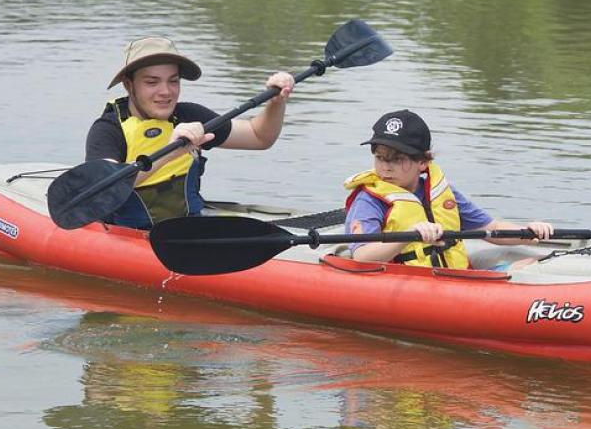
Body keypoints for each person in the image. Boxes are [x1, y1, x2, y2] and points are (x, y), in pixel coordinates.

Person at [85, 36, 295, 229]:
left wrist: (276, 102)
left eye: (173, 80)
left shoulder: (189, 115)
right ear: (129, 85)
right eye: (152, 82)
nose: (166, 92)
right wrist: (171, 152)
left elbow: (259, 137)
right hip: (125, 235)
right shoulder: (108, 129)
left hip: (186, 229)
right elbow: (104, 190)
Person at [343, 109, 553, 270]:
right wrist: (407, 236)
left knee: (533, 264)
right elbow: (362, 256)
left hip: (453, 279)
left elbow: (492, 228)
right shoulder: (369, 201)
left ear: (423, 162)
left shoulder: (440, 192)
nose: (386, 167)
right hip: (403, 281)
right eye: (380, 158)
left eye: (397, 159)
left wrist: (529, 232)